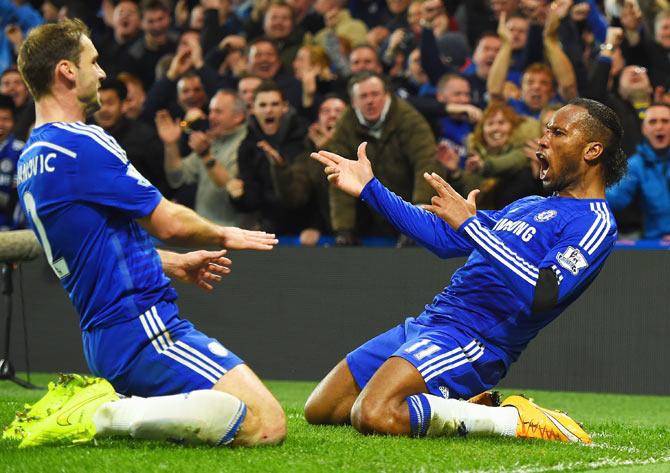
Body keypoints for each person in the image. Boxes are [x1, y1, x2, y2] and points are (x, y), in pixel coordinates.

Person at [10, 18, 286, 448]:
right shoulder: (82, 142)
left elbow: (94, 245)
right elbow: (168, 221)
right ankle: (101, 412)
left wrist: (173, 262)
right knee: (266, 424)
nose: (102, 73)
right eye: (94, 62)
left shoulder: (31, 159)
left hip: (104, 335)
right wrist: (221, 233)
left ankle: (115, 406)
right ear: (67, 71)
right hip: (142, 326)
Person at [306, 97, 627, 443]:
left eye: (558, 132)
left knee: (373, 413)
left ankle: (508, 420)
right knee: (322, 409)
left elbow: (544, 292)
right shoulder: (530, 205)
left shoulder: (594, 223)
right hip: (430, 322)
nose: (543, 140)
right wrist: (371, 189)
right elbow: (446, 238)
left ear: (592, 150)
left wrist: (472, 226)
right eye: (545, 130)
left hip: (473, 342)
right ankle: (470, 406)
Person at [606, 102, 670, 240]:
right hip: (656, 245)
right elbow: (615, 198)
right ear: (644, 129)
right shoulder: (637, 164)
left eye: (665, 121)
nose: (659, 126)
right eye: (653, 122)